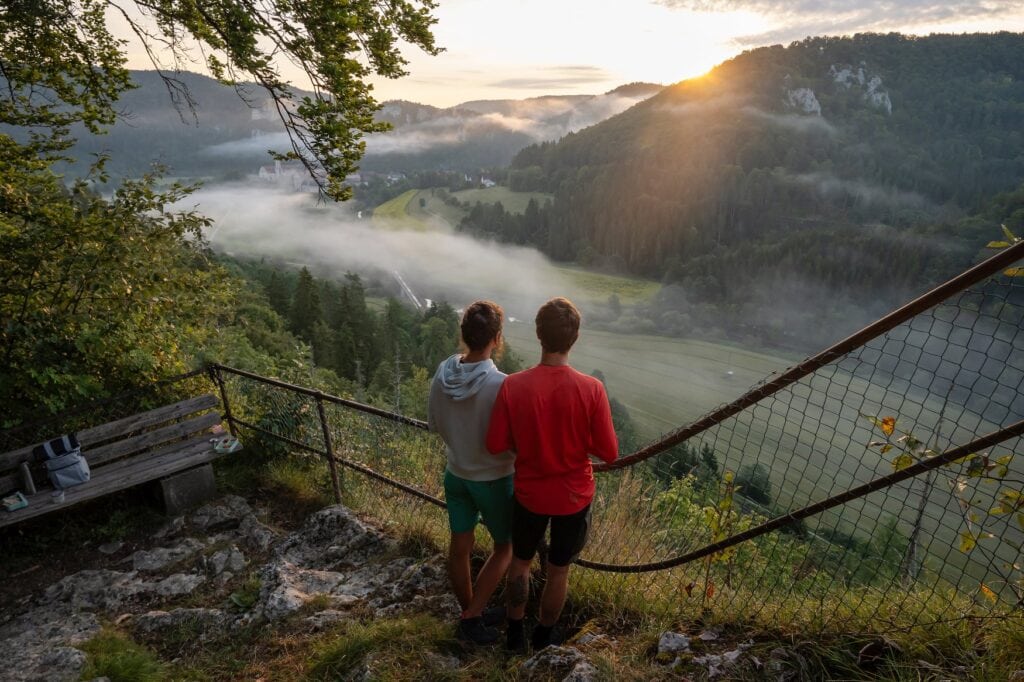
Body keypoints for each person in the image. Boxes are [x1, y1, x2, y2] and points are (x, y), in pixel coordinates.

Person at [485, 296, 618, 653]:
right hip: (573, 497)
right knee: (558, 569)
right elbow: (609, 452)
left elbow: (496, 443)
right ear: (573, 338)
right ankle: (544, 637)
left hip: (529, 493)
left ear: (539, 335)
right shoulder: (592, 389)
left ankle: (514, 634)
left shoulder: (513, 386)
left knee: (520, 562)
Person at [428, 300, 515, 645]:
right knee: (505, 547)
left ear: (464, 335)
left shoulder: (442, 372)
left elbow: (434, 423)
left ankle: (471, 611)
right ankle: (472, 617)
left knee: (459, 547)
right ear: (496, 338)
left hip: (456, 472)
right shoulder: (502, 385)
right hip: (493, 478)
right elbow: (511, 441)